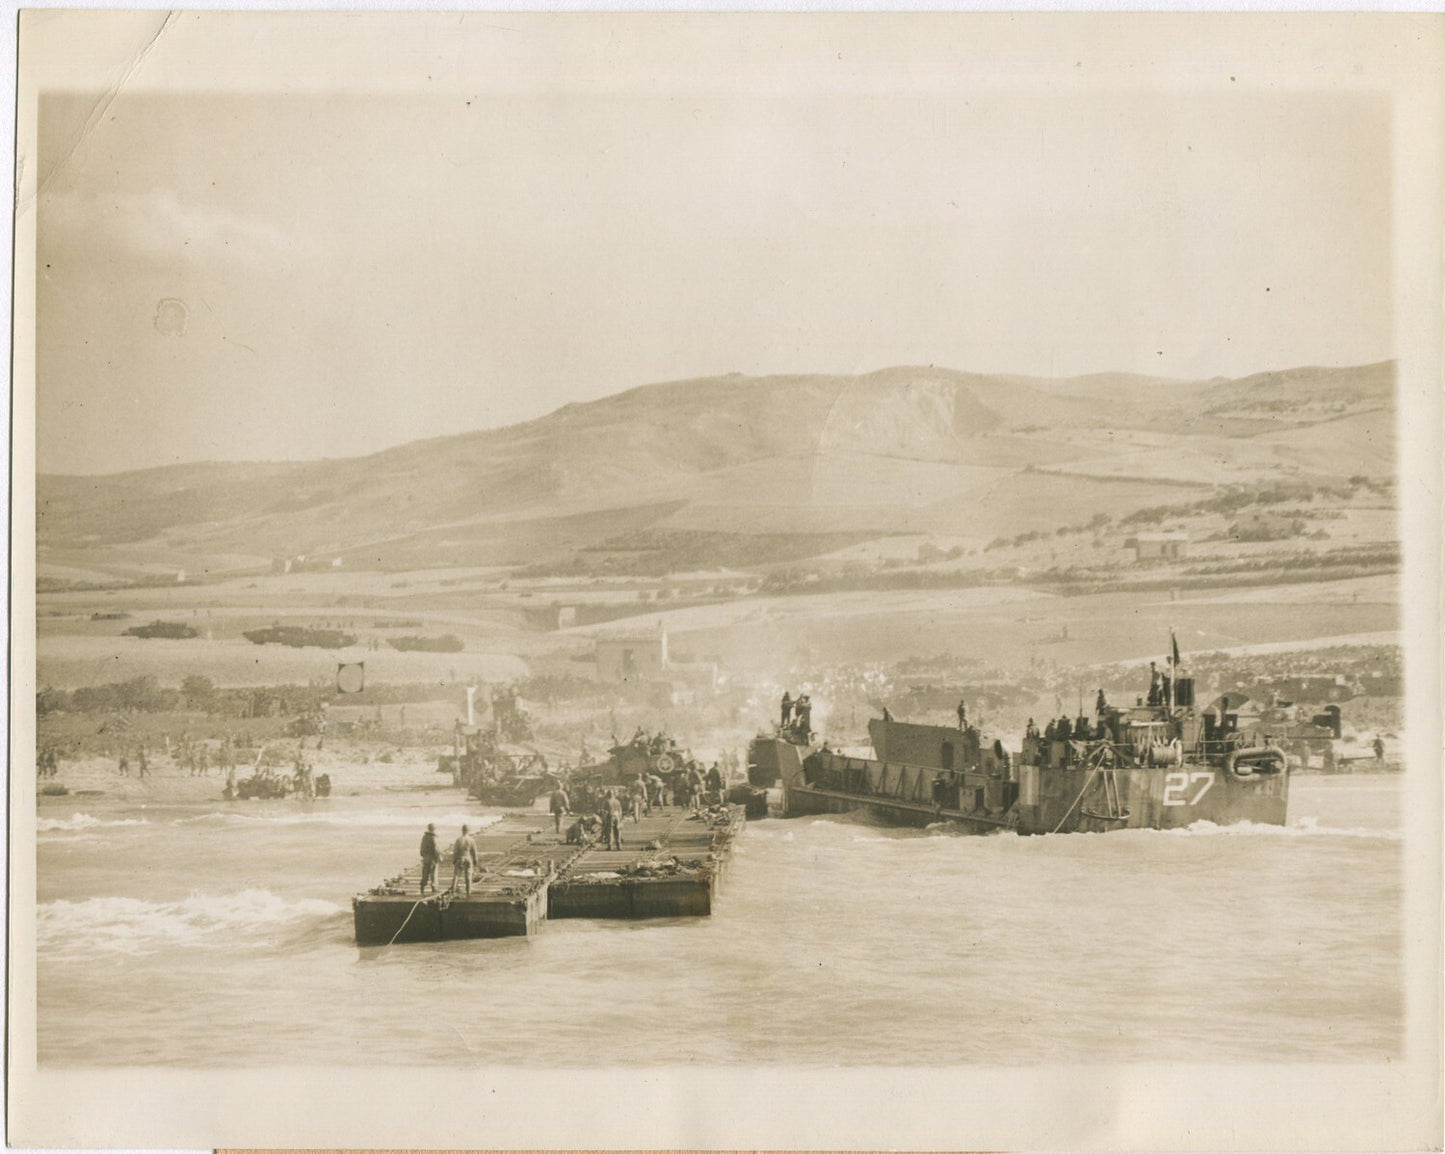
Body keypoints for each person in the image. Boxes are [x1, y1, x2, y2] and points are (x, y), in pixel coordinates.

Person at [450, 824, 477, 896]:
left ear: (462, 830)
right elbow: (474, 851)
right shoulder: (471, 840)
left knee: (456, 875)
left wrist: (454, 860)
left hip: (459, 858)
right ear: (468, 831)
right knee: (468, 876)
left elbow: (455, 851)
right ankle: (468, 891)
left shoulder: (458, 840)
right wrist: (475, 860)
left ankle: (453, 890)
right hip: (468, 858)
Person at [419, 823, 441, 894]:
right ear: (434, 829)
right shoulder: (434, 837)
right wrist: (438, 857)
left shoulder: (424, 837)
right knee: (433, 873)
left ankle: (422, 886)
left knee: (425, 873)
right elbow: (436, 849)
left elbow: (421, 848)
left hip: (426, 858)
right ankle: (434, 887)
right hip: (432, 858)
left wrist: (423, 855)